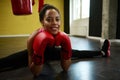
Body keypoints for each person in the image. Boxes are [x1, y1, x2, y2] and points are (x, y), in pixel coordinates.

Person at [27, 4, 72, 77]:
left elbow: (66, 68)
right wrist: (38, 57)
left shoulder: (63, 36)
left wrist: (66, 54)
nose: (54, 23)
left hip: (55, 52)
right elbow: (35, 73)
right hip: (38, 53)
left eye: (57, 19)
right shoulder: (33, 37)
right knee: (12, 60)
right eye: (49, 19)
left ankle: (96, 52)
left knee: (79, 53)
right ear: (42, 22)